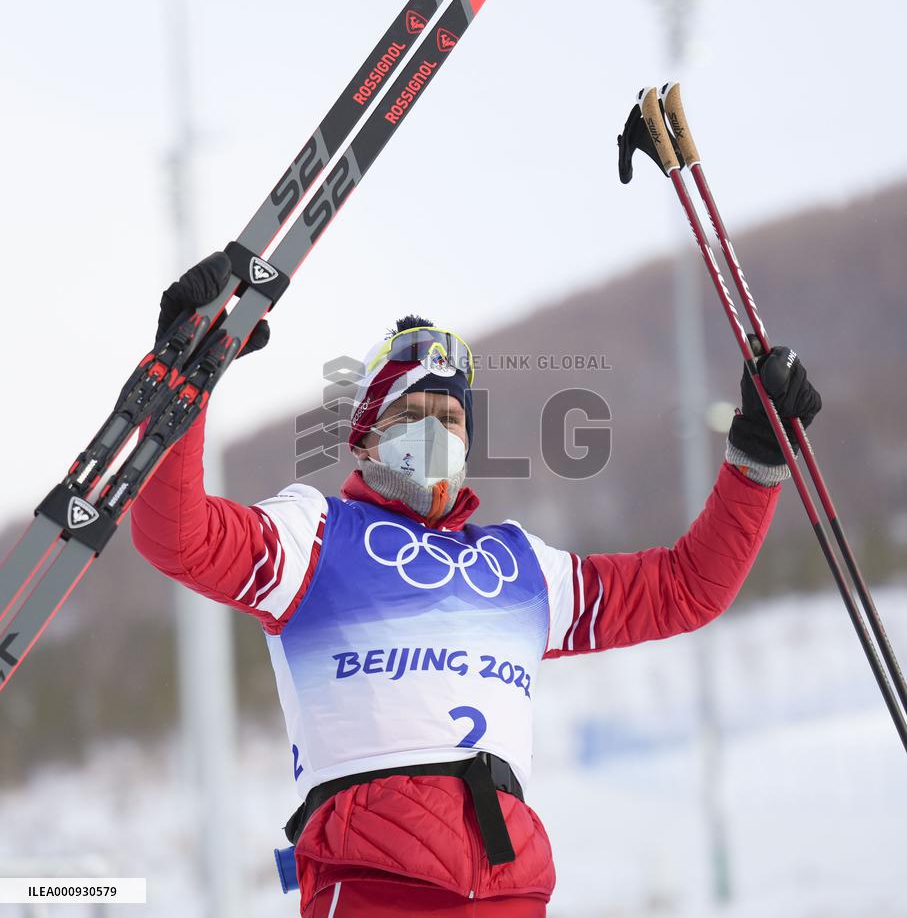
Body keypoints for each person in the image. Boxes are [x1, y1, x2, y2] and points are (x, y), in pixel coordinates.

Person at [131, 252, 821, 917]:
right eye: (411, 417)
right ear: (366, 439)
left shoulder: (519, 567)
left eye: (450, 419)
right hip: (376, 885)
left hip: (509, 888)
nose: (434, 434)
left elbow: (684, 588)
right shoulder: (311, 536)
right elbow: (177, 536)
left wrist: (757, 455)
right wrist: (184, 387)